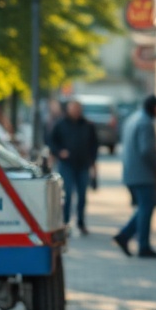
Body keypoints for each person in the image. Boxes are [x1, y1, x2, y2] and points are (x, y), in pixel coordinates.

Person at [113, 94, 156, 258]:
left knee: (144, 208)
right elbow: (146, 150)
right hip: (143, 174)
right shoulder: (146, 123)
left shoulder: (133, 119)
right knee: (146, 208)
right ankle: (142, 245)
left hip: (131, 172)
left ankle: (125, 236)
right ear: (154, 107)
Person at [49, 99, 99, 235]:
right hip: (67, 165)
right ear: (68, 109)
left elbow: (94, 146)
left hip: (83, 165)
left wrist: (94, 166)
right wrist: (59, 152)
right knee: (68, 194)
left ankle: (81, 222)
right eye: (73, 108)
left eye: (78, 108)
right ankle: (65, 223)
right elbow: (51, 141)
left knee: (82, 195)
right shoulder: (60, 124)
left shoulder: (88, 125)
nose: (76, 111)